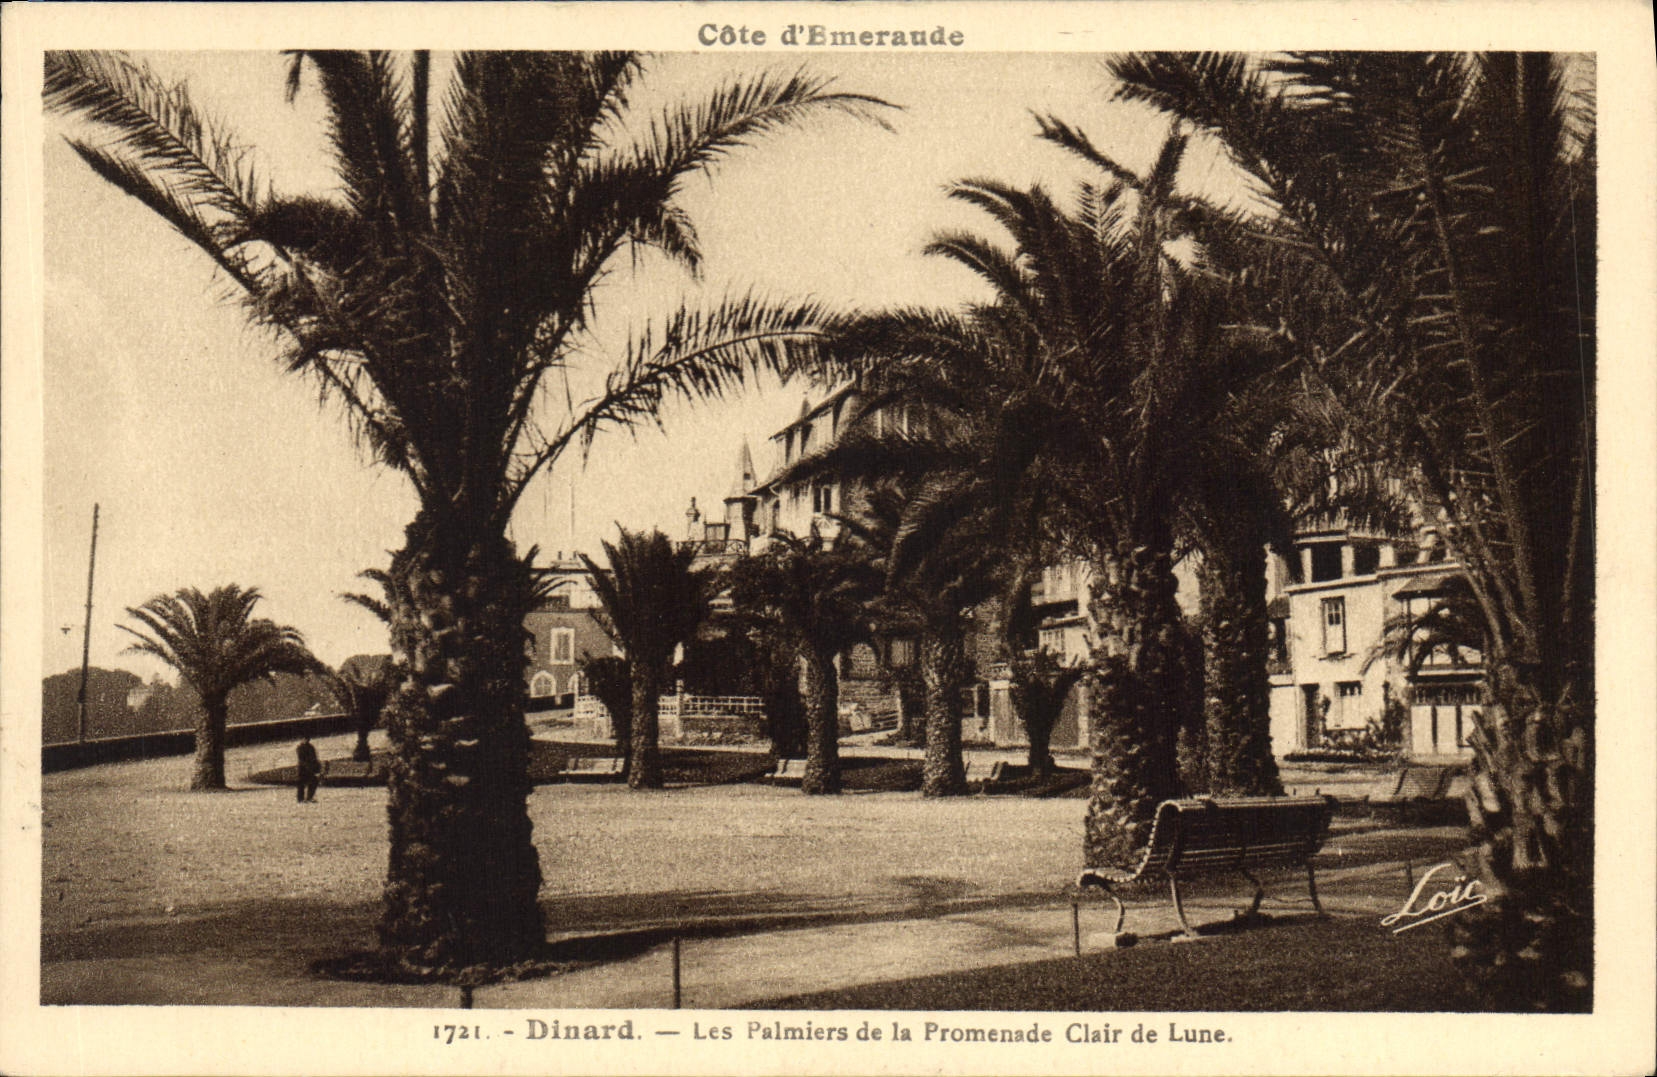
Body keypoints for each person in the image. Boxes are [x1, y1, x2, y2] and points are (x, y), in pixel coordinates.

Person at [295, 736, 321, 803]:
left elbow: (314, 758)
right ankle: (301, 799)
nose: (305, 740)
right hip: (303, 769)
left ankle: (309, 797)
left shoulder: (311, 747)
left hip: (310, 768)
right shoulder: (300, 748)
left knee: (313, 782)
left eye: (306, 739)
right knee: (301, 784)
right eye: (304, 739)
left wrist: (316, 768)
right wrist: (308, 766)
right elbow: (301, 759)